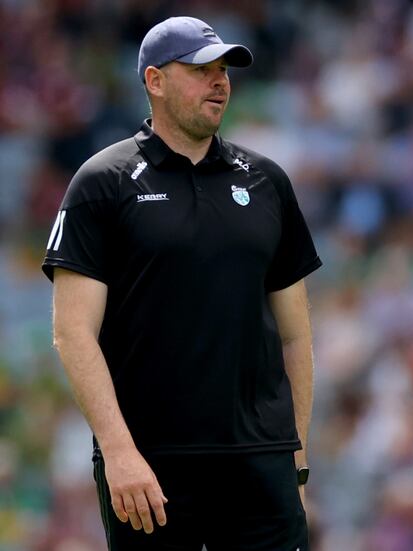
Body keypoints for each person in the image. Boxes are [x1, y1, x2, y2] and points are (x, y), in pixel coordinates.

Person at [42, 16, 321, 551]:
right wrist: (118, 451)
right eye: (201, 70)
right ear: (155, 81)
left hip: (262, 462)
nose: (220, 82)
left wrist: (298, 459)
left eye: (224, 71)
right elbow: (73, 333)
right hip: (151, 466)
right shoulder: (102, 183)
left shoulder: (267, 182)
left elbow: (296, 335)